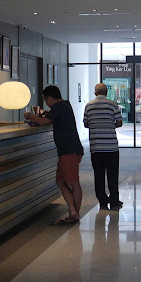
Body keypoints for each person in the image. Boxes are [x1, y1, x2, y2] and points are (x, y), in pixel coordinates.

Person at [24, 85, 84, 225]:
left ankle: (75, 213)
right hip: (67, 150)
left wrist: (29, 115)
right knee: (61, 181)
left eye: (46, 100)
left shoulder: (59, 107)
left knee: (73, 182)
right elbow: (48, 121)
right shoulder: (65, 105)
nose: (46, 103)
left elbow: (44, 121)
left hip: (69, 150)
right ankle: (72, 211)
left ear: (50, 98)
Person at [83, 83, 123, 211]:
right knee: (113, 175)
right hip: (111, 147)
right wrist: (109, 126)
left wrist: (96, 125)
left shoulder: (89, 106)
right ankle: (114, 202)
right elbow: (119, 123)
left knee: (98, 175)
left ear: (95, 92)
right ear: (106, 92)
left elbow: (85, 124)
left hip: (96, 147)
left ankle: (103, 202)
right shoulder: (113, 105)